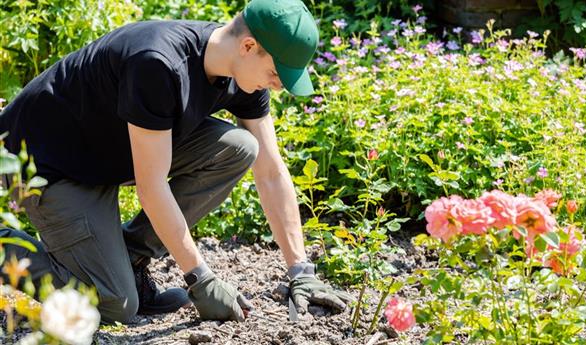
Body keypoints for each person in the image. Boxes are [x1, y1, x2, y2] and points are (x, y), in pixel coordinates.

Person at [0, 0, 351, 324]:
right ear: (247, 47)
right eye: (276, 74)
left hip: (106, 151)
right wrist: (201, 278)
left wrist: (300, 271)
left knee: (240, 146)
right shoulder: (158, 63)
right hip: (45, 161)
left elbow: (271, 172)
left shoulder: (243, 75)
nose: (276, 86)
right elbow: (152, 189)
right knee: (114, 303)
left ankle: (131, 261)